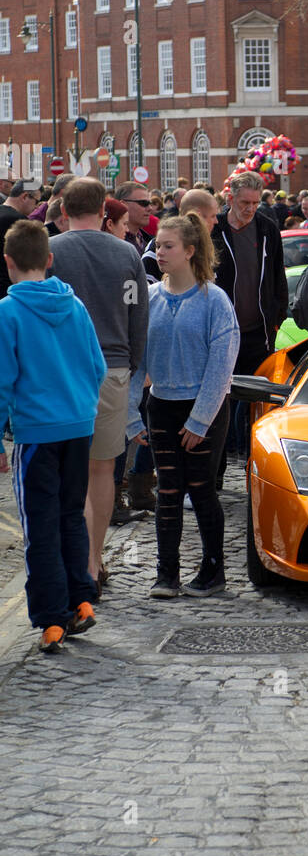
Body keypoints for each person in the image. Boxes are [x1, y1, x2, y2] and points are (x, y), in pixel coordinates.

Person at [0, 219, 106, 653]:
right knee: (69, 516)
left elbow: (3, 381)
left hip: (37, 432)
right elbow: (97, 366)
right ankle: (82, 599)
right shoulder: (75, 305)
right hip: (78, 425)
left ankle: (50, 619)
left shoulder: (8, 311)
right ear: (49, 259)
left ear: (8, 263)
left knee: (39, 527)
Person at [128, 213, 240, 598]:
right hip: (161, 405)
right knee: (169, 492)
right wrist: (130, 415)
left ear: (190, 251)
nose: (159, 252)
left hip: (204, 409)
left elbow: (221, 365)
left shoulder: (215, 301)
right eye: (157, 245)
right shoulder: (151, 298)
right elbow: (138, 360)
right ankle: (166, 575)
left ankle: (213, 571)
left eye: (167, 246)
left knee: (201, 489)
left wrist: (199, 420)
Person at [49, 178, 149, 592]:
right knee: (103, 469)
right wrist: (131, 364)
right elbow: (139, 317)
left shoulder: (51, 251)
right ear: (103, 211)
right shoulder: (127, 253)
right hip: (112, 367)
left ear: (65, 210)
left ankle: (70, 558)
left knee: (60, 469)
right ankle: (93, 561)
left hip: (59, 369)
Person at [212, 171, 288, 471]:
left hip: (259, 333)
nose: (250, 208)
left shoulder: (267, 227)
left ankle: (255, 470)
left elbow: (278, 276)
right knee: (218, 404)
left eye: (256, 202)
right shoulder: (214, 228)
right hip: (222, 333)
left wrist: (277, 318)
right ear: (230, 197)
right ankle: (214, 474)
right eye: (245, 202)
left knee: (258, 404)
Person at [0, 180, 42, 298]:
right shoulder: (20, 222)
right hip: (8, 291)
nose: (36, 208)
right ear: (24, 196)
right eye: (36, 201)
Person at [115, 181, 160, 253]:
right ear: (123, 205)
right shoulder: (113, 245)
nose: (150, 208)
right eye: (144, 203)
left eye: (150, 203)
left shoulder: (150, 242)